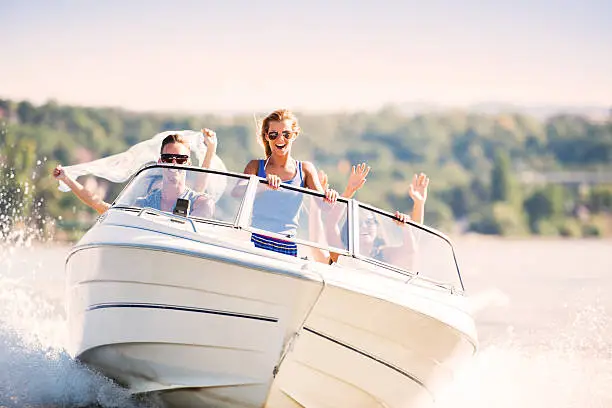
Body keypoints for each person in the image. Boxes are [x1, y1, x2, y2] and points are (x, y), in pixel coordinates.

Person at [236, 108, 338, 257]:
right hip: (256, 241)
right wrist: (262, 185)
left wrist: (331, 195)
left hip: (287, 246)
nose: (280, 139)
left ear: (294, 135)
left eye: (286, 134)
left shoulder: (306, 169)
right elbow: (237, 192)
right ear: (267, 136)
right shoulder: (255, 166)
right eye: (274, 134)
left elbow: (324, 206)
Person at [53, 128, 219, 215]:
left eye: (180, 159)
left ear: (188, 163)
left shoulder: (200, 203)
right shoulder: (143, 205)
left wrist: (210, 149)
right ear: (160, 162)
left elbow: (200, 186)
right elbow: (101, 206)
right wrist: (67, 179)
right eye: (169, 158)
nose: (174, 163)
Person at [321, 165, 429, 266]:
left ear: (377, 228)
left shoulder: (384, 254)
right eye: (358, 223)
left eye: (369, 222)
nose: (364, 227)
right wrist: (349, 191)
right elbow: (331, 224)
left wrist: (408, 224)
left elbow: (410, 251)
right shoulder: (341, 252)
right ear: (349, 229)